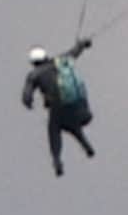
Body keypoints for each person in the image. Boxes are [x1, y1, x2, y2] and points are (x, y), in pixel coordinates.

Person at [22, 38, 95, 176]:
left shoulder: (33, 75)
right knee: (70, 123)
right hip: (78, 104)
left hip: (57, 106)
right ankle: (86, 146)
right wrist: (83, 44)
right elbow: (75, 51)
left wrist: (28, 102)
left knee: (54, 128)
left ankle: (57, 159)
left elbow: (27, 95)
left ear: (33, 63)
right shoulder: (60, 61)